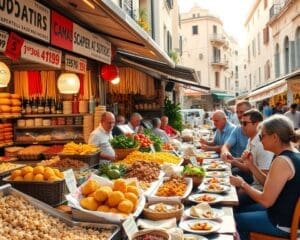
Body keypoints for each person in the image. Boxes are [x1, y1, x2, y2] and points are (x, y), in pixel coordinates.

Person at [230, 115, 300, 240]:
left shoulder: (283, 161)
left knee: (233, 221)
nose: (260, 140)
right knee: (236, 209)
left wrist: (242, 184)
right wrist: (251, 166)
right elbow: (267, 184)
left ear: (274, 137)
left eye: (262, 136)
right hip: (281, 214)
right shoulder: (291, 154)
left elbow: (266, 201)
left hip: (280, 223)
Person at [233, 109, 273, 209]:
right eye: (241, 123)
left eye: (245, 123)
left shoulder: (263, 145)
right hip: (255, 185)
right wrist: (233, 160)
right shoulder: (251, 139)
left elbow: (265, 182)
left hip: (261, 191)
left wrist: (244, 186)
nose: (242, 126)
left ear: (257, 124)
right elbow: (248, 164)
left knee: (233, 202)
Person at [221, 100, 252, 183]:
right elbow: (225, 146)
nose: (239, 115)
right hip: (240, 166)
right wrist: (226, 153)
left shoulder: (258, 134)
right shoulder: (238, 129)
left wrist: (234, 161)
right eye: (237, 112)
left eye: (241, 112)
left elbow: (250, 167)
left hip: (249, 173)